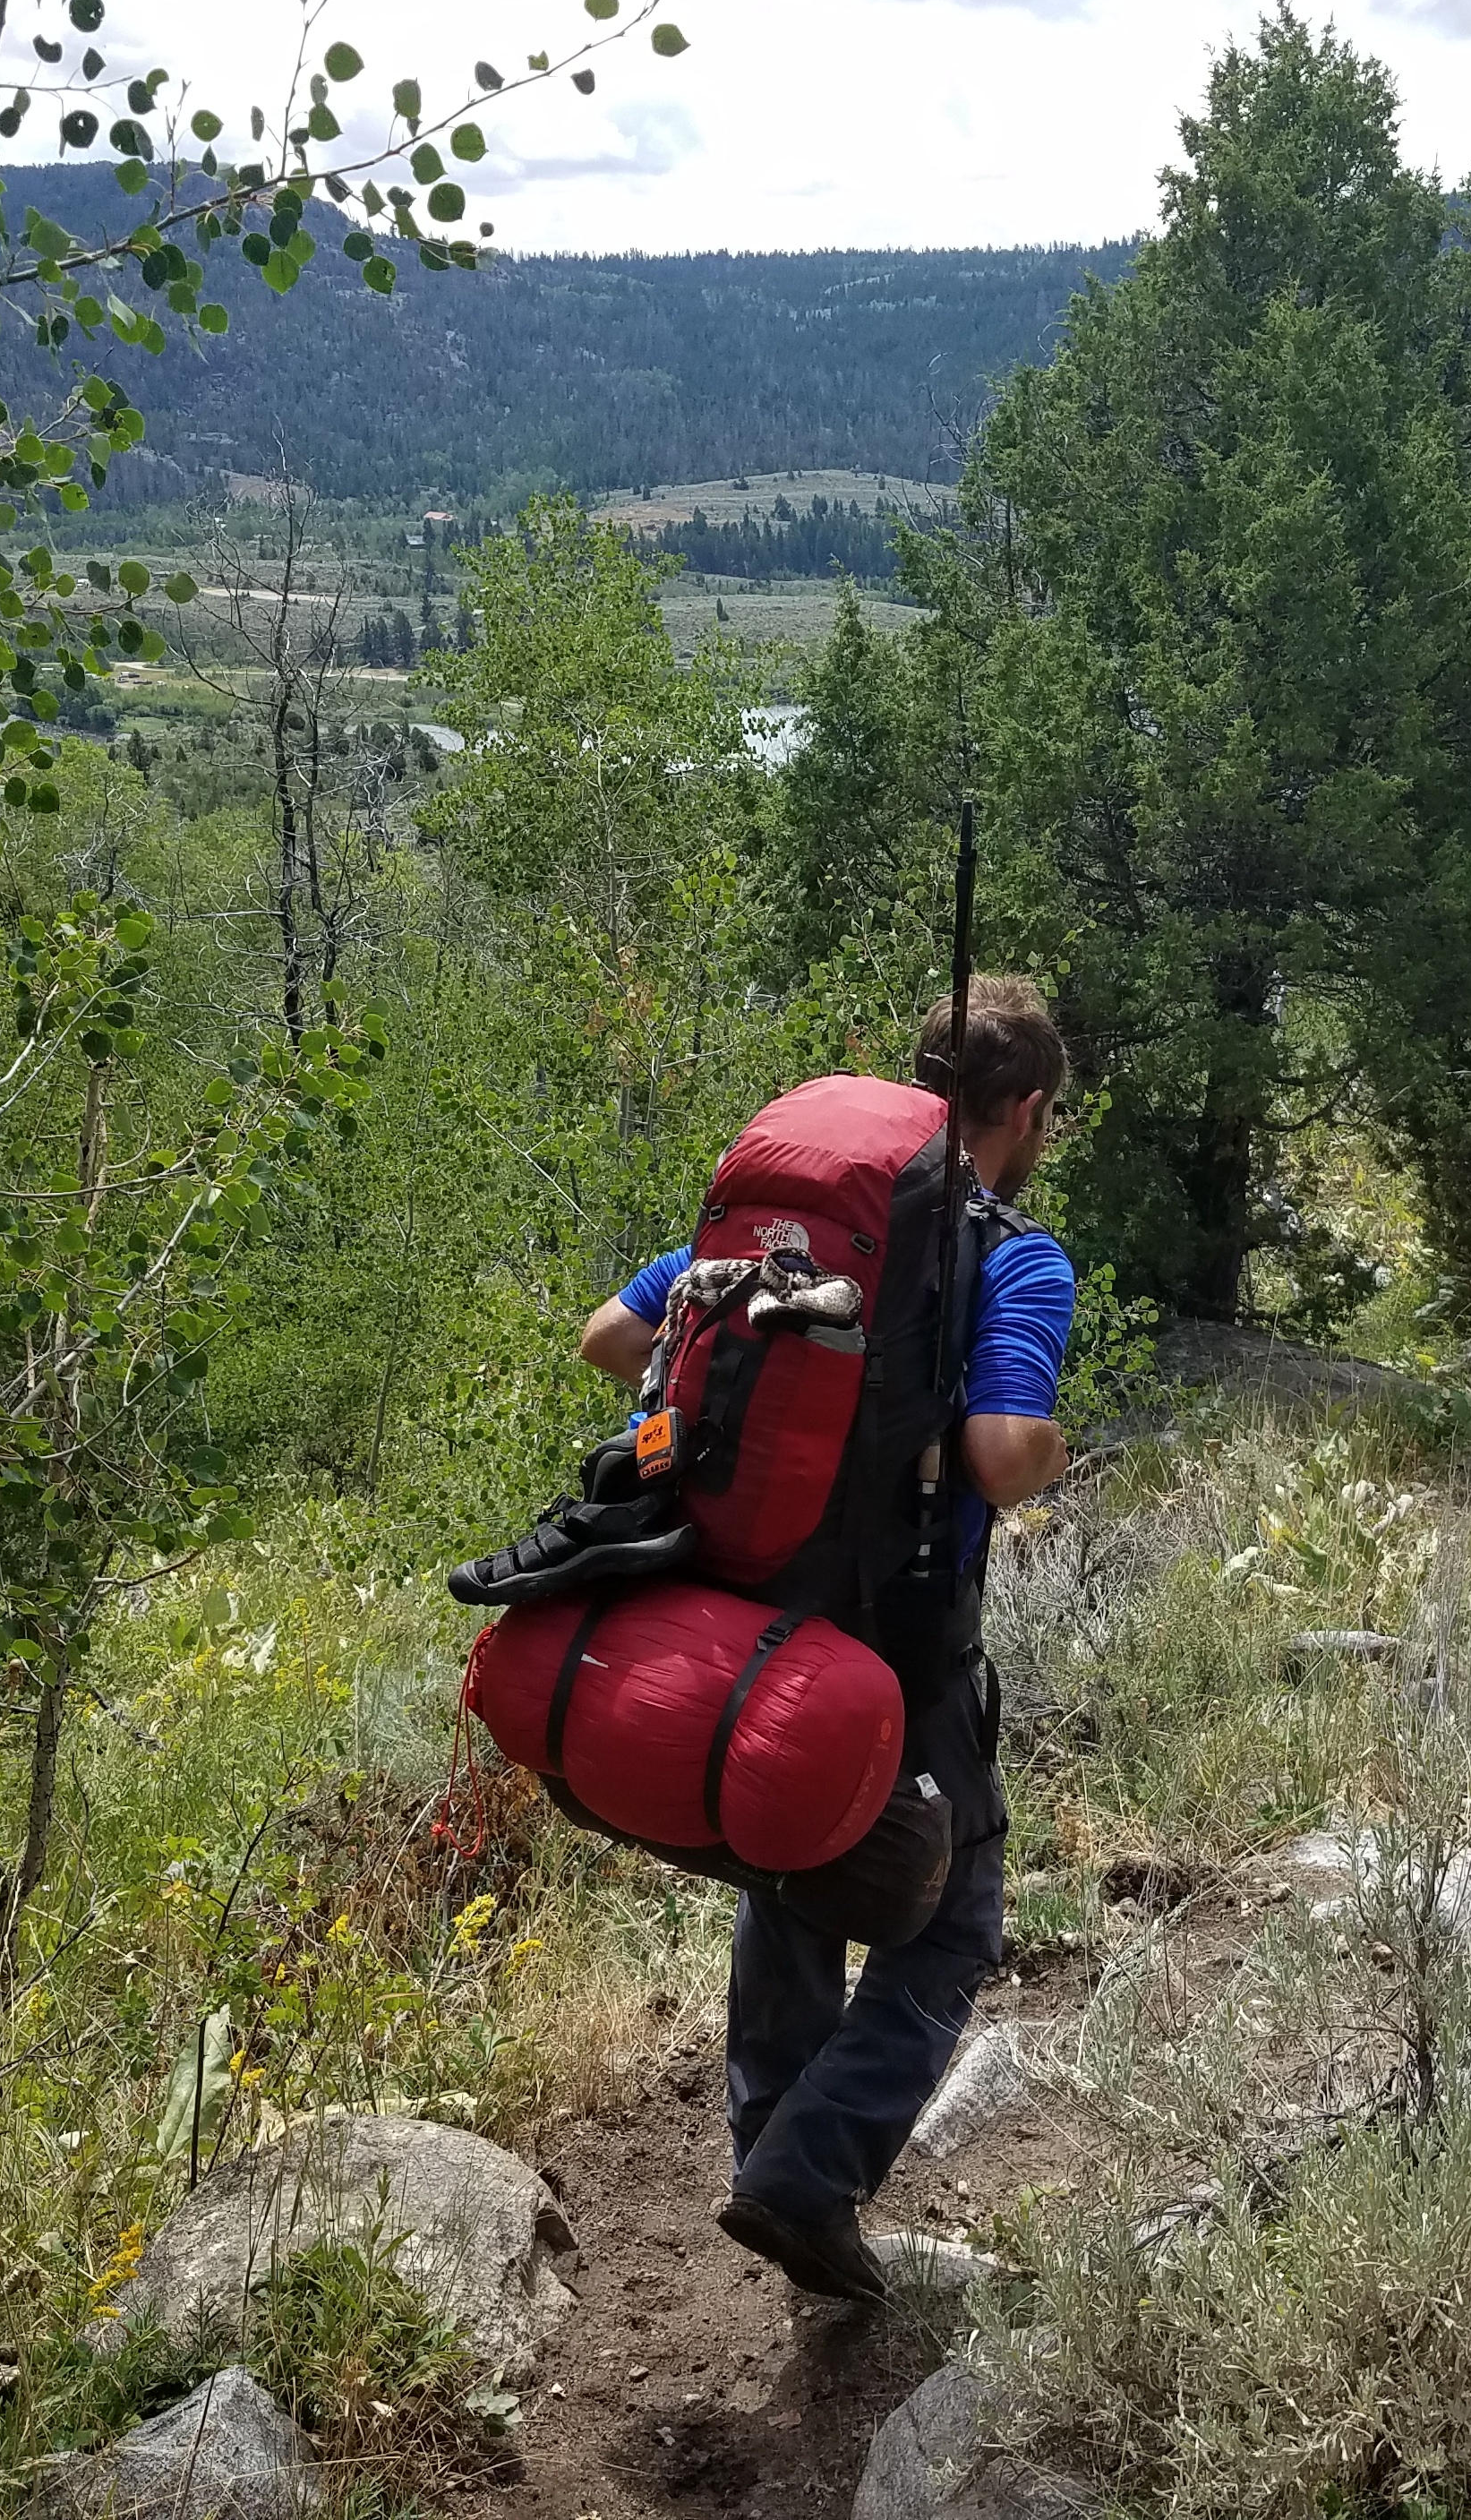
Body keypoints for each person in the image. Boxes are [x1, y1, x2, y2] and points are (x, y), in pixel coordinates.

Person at [574, 976, 1078, 2304]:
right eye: (1047, 1119)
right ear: (1022, 1108)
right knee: (957, 1920)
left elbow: (611, 1337)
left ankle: (770, 2157)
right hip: (906, 1646)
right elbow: (998, 1455)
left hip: (757, 1613)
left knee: (789, 1874)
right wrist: (1045, 1448)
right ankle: (809, 2173)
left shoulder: (803, 1232)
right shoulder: (1014, 1256)